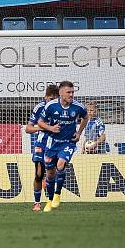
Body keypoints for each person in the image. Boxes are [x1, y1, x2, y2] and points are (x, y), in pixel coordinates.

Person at [38, 81, 88, 212]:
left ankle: (57, 194)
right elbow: (40, 122)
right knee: (49, 174)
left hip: (68, 142)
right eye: (68, 92)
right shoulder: (51, 106)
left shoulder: (78, 107)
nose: (71, 95)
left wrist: (79, 132)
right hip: (52, 142)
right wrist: (51, 128)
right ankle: (49, 200)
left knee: (60, 165)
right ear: (61, 93)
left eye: (72, 92)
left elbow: (86, 117)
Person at [25, 85, 59, 212]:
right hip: (41, 143)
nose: (51, 101)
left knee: (51, 174)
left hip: (55, 143)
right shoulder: (39, 107)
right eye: (49, 98)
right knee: (39, 173)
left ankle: (50, 197)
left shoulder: (61, 108)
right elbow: (28, 129)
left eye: (54, 99)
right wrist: (42, 127)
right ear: (45, 97)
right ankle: (37, 202)